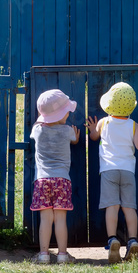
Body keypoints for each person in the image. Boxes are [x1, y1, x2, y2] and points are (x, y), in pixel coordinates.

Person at [85, 82, 138, 264]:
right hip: (128, 171)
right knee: (129, 207)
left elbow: (93, 137)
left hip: (109, 171)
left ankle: (113, 239)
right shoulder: (133, 125)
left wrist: (92, 130)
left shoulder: (103, 122)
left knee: (112, 206)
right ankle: (132, 240)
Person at [30, 89, 80, 264]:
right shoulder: (68, 131)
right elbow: (75, 140)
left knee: (45, 219)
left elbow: (37, 127)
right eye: (66, 111)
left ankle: (43, 255)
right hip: (62, 180)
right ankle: (62, 255)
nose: (68, 114)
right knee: (60, 219)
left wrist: (46, 118)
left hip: (42, 180)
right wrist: (76, 138)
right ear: (60, 114)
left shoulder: (37, 130)